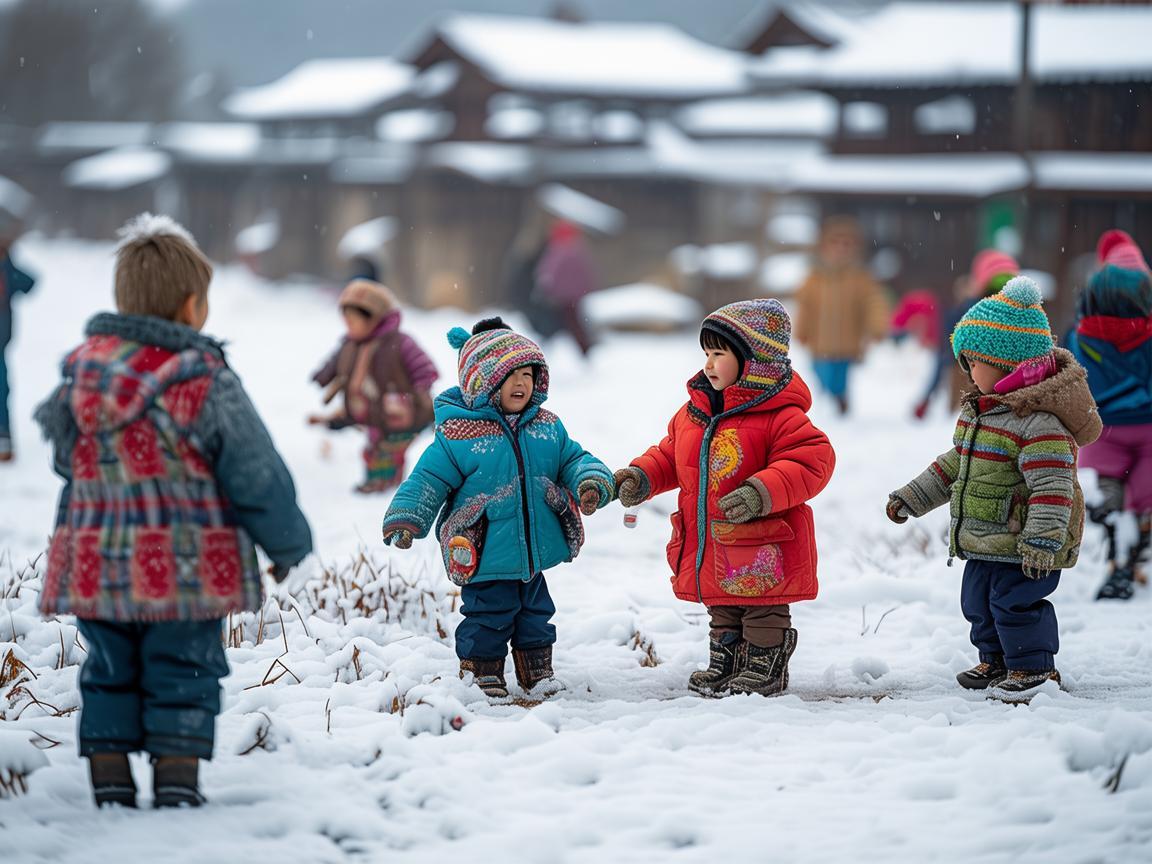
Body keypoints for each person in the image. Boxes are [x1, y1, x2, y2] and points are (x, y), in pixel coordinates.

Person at [34, 213, 313, 808]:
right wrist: (287, 544)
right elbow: (254, 471)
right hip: (184, 564)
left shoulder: (82, 374)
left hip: (98, 558)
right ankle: (177, 782)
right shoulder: (203, 378)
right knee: (184, 665)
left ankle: (108, 780)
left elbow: (66, 456)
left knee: (108, 665)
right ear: (191, 307)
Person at [887, 276, 1101, 700]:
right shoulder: (981, 413)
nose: (966, 370)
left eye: (972, 361)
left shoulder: (1039, 424)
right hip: (985, 538)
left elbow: (1053, 487)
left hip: (1025, 543)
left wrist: (1041, 538)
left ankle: (1033, 666)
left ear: (1005, 362)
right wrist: (912, 497)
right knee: (979, 604)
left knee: (1015, 605)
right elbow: (953, 466)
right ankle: (997, 659)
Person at [380, 318, 613, 698]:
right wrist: (408, 517)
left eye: (527, 374)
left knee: (537, 616)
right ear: (482, 382)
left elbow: (572, 459)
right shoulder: (459, 436)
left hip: (533, 554)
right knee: (487, 617)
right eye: (511, 375)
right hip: (484, 551)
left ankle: (537, 671)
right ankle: (481, 671)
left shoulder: (546, 427)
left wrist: (589, 480)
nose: (522, 383)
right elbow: (427, 480)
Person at [615, 299, 835, 697]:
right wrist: (643, 476)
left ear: (753, 361)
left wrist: (761, 491)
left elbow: (813, 460)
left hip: (762, 541)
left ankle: (764, 662)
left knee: (762, 610)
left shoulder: (780, 416)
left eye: (719, 354)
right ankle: (726, 660)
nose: (709, 364)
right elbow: (671, 454)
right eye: (706, 354)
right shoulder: (694, 414)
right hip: (713, 539)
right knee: (722, 608)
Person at [1067, 241, 1152, 600]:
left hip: (1104, 428)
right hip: (1149, 427)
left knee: (1111, 495)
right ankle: (1133, 549)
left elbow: (1074, 381)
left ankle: (1119, 546)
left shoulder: (1081, 335)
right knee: (1145, 500)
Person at [310, 279, 437, 493]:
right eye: (346, 320)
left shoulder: (399, 342)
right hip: (372, 413)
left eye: (354, 320)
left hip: (400, 411)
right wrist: (322, 376)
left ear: (374, 318)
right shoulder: (349, 344)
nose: (348, 326)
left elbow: (423, 366)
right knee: (373, 448)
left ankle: (386, 484)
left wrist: (421, 386)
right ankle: (377, 481)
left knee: (388, 450)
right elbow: (334, 362)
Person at [793, 216, 889, 414]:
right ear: (824, 248)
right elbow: (804, 306)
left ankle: (840, 400)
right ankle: (830, 398)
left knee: (839, 378)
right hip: (819, 342)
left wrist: (876, 327)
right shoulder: (814, 278)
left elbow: (874, 303)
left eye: (846, 245)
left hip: (847, 343)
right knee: (821, 374)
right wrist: (801, 330)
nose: (840, 250)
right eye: (835, 244)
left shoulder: (860, 278)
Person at [914, 249, 1020, 419]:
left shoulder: (970, 309)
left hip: (966, 366)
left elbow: (951, 340)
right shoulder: (1016, 310)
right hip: (991, 370)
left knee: (962, 409)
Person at [0, 216, 37, 461]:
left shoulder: (7, 266)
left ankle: (4, 438)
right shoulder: (6, 266)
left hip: (1, 339)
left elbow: (28, 282)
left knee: (2, 388)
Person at [534, 220, 597, 355]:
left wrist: (546, 288)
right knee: (573, 323)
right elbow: (586, 274)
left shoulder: (559, 251)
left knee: (567, 323)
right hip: (573, 295)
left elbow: (549, 272)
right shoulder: (577, 251)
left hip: (562, 296)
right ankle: (585, 346)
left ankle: (585, 347)